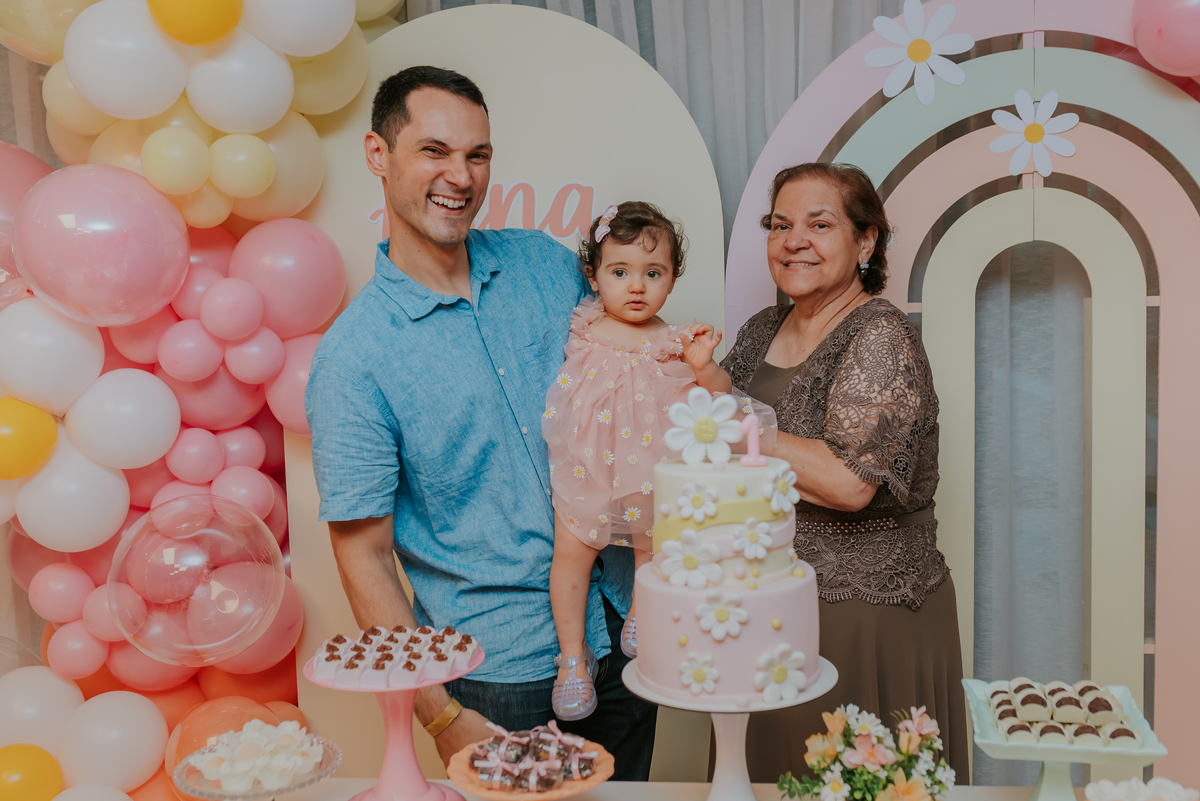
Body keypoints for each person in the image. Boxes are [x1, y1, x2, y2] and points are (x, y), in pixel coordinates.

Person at [305, 66, 657, 779]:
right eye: (434, 151)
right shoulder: (354, 357)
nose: (459, 176)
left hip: (626, 629)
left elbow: (633, 377)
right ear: (379, 154)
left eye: (478, 154)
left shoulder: (547, 267)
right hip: (501, 674)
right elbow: (363, 557)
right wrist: (439, 713)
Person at [719, 162, 969, 782]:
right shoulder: (761, 330)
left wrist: (740, 430)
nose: (794, 239)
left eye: (819, 224)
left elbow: (848, 482)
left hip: (867, 618)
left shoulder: (880, 334)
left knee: (854, 782)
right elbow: (703, 425)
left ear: (866, 240)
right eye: (780, 225)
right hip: (773, 606)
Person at [543, 201, 730, 720]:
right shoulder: (584, 323)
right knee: (572, 554)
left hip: (648, 471)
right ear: (594, 276)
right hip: (586, 468)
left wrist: (705, 366)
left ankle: (641, 616)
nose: (636, 286)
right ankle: (573, 659)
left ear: (672, 279)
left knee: (652, 548)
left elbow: (719, 397)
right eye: (619, 272)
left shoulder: (675, 343)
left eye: (653, 273)